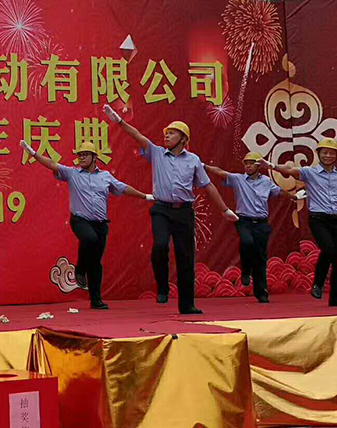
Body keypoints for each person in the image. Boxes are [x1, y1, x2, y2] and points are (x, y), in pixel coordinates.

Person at [103, 105, 238, 314]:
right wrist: (119, 121)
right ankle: (162, 287)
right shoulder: (157, 153)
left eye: (172, 133)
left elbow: (208, 185)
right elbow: (137, 135)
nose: (167, 136)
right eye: (166, 133)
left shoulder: (193, 160)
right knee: (160, 246)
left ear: (183, 139)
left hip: (184, 212)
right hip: (161, 210)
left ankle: (187, 305)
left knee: (186, 257)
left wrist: (224, 209)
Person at [21, 139, 153, 309]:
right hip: (80, 220)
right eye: (79, 155)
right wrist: (33, 153)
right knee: (89, 239)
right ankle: (80, 269)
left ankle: (96, 300)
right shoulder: (73, 173)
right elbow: (52, 164)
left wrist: (144, 196)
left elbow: (123, 188)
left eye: (85, 155)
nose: (81, 157)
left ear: (94, 157)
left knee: (96, 262)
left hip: (100, 224)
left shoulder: (105, 176)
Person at [205, 152, 303, 303]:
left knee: (260, 257)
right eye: (246, 163)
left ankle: (261, 292)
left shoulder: (266, 181)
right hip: (243, 220)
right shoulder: (238, 179)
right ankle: (245, 270)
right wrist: (204, 166)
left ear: (258, 165)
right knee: (247, 242)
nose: (248, 166)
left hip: (261, 223)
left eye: (251, 163)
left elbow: (280, 192)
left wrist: (294, 197)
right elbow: (220, 172)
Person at [260, 138, 337, 306]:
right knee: (329, 249)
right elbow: (289, 170)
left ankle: (335, 298)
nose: (328, 156)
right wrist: (271, 166)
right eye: (325, 152)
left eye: (332, 153)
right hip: (318, 219)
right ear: (319, 154)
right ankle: (318, 284)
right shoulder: (310, 173)